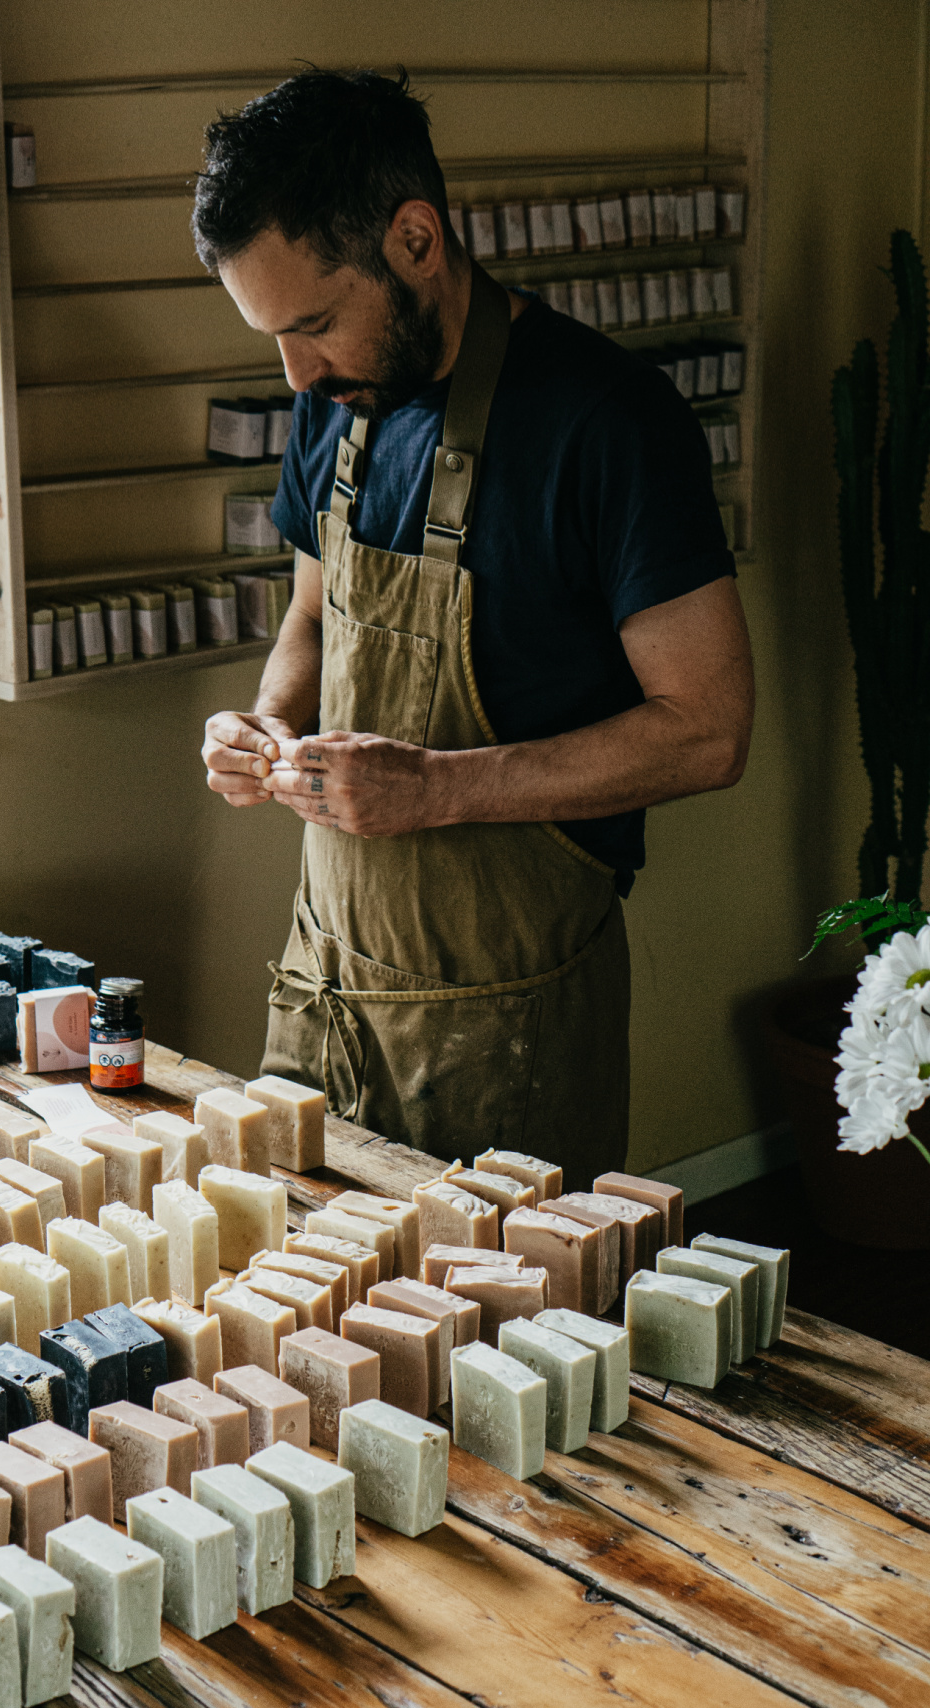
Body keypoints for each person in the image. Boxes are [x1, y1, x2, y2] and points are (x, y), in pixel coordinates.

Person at [195, 69, 754, 1180]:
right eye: (272, 337)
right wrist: (263, 723)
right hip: (327, 991)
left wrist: (438, 788)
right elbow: (311, 612)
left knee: (502, 1346)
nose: (296, 372)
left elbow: (709, 730)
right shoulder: (333, 403)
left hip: (512, 1030)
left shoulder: (609, 426)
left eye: (312, 324)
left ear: (415, 239)